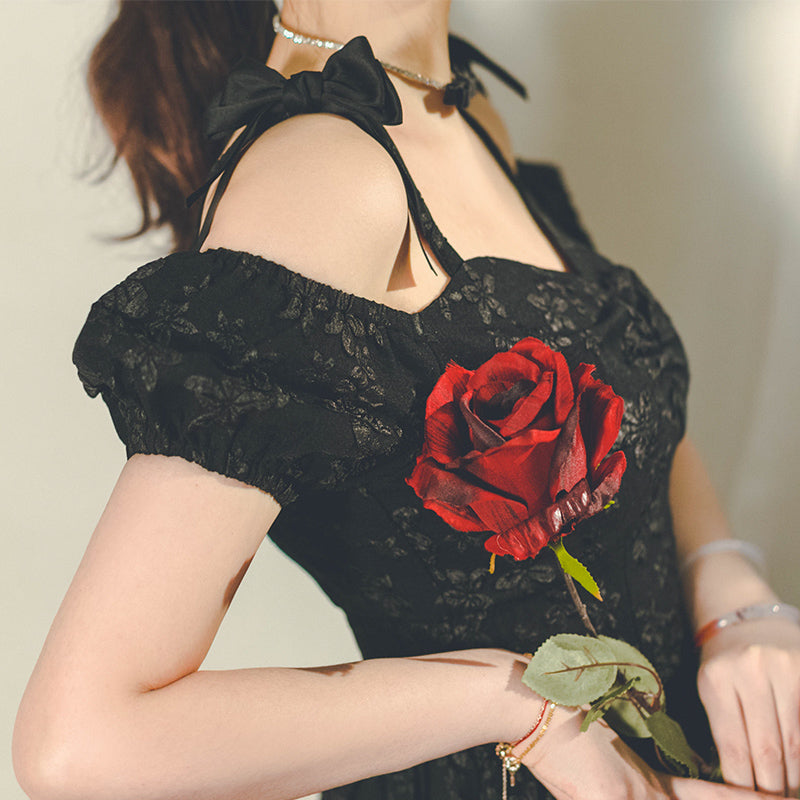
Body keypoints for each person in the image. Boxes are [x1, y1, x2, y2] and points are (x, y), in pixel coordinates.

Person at [12, 2, 800, 799]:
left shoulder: (456, 110)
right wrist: (524, 704)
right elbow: (81, 745)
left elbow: (628, 395)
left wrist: (730, 589)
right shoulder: (323, 177)